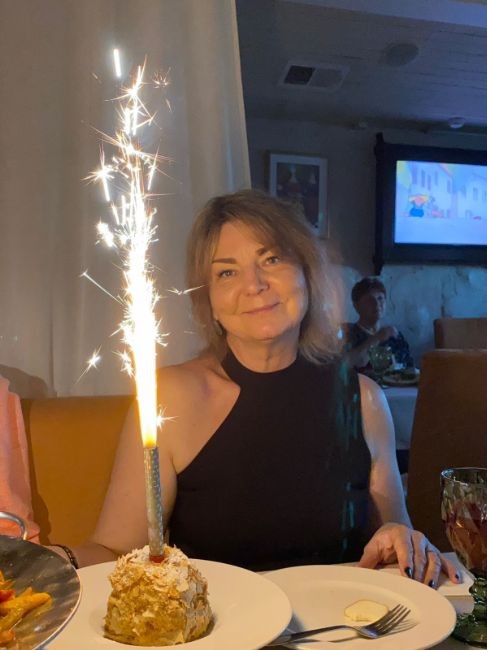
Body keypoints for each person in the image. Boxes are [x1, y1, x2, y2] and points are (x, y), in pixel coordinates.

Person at [66, 189, 458, 587]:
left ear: (306, 273)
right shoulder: (167, 397)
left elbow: (395, 540)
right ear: (209, 301)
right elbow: (116, 552)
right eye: (227, 272)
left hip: (343, 619)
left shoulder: (364, 400)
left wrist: (401, 538)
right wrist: (55, 560)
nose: (254, 285)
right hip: (220, 623)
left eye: (272, 259)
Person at [342, 277, 413, 373]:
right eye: (369, 300)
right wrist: (378, 337)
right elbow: (346, 364)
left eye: (380, 298)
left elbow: (410, 368)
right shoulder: (348, 334)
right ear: (356, 306)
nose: (376, 304)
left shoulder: (394, 335)